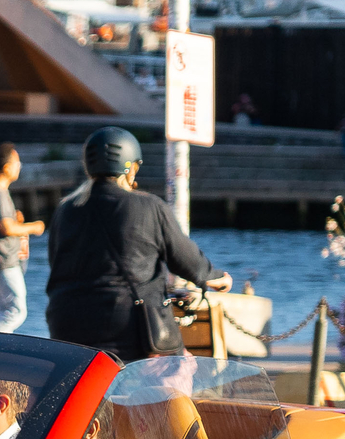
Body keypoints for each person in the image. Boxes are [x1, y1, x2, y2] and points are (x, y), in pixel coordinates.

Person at [45, 127, 229, 361]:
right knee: (184, 369)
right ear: (129, 168)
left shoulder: (65, 209)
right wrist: (215, 276)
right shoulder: (149, 206)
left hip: (66, 324)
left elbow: (57, 263)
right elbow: (186, 260)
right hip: (128, 326)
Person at [0, 144, 44, 334]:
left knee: (2, 312)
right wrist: (34, 227)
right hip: (3, 262)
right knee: (15, 312)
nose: (19, 166)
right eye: (17, 163)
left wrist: (16, 220)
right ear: (6, 167)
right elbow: (6, 227)